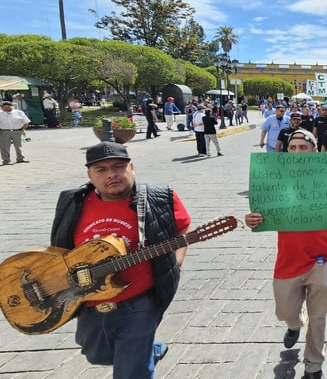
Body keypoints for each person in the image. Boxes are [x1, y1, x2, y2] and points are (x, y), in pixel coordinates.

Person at [50, 141, 191, 377]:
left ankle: (140, 354)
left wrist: (175, 264)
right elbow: (59, 246)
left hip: (139, 302)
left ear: (131, 167)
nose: (112, 175)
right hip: (89, 300)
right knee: (96, 353)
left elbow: (182, 229)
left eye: (118, 167)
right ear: (90, 175)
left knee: (130, 372)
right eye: (101, 170)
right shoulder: (72, 202)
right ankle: (150, 350)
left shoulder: (158, 198)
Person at [245, 129, 327, 379]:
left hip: (320, 257)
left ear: (314, 151)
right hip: (288, 260)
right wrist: (253, 219)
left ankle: (314, 365)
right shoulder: (275, 179)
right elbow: (261, 214)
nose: (297, 152)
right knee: (284, 312)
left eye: (303, 147)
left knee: (318, 317)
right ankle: (294, 325)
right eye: (292, 147)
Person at [0, 100, 30, 165]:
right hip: (4, 132)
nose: (3, 108)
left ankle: (20, 158)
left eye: (5, 107)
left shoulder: (19, 112)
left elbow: (26, 122)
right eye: (2, 107)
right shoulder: (0, 113)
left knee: (18, 146)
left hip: (17, 131)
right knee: (4, 147)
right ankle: (6, 160)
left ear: (10, 107)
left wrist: (22, 130)